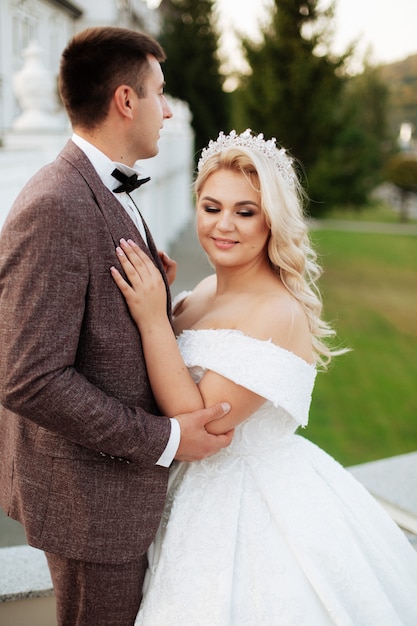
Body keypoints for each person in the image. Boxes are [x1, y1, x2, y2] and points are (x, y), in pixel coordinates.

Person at [111, 129, 417, 625]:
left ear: (271, 219)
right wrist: (165, 306)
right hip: (183, 502)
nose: (223, 225)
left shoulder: (277, 311)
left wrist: (151, 319)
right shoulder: (205, 289)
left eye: (245, 211)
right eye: (211, 208)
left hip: (253, 512)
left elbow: (199, 423)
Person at [0, 27, 233, 626]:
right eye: (161, 91)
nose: (169, 108)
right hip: (89, 506)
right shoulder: (55, 203)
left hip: (116, 500)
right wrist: (168, 439)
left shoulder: (107, 186)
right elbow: (28, 378)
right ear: (125, 101)